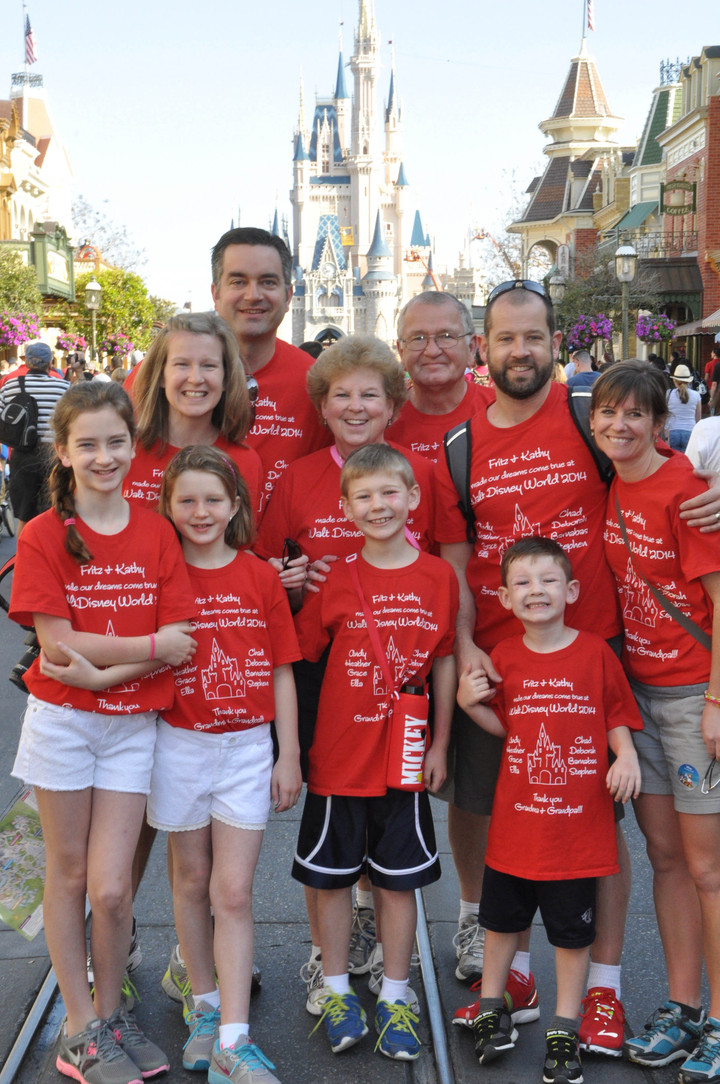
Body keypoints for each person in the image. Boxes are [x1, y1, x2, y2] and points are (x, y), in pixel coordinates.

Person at [433, 279, 720, 1056]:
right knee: (510, 826)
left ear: (554, 342)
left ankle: (602, 989)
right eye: (505, 338)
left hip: (599, 663)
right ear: (480, 348)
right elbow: (459, 571)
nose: (519, 351)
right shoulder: (459, 449)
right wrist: (466, 662)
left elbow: (667, 479)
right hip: (505, 670)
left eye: (534, 336)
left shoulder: (587, 421)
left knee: (600, 837)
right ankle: (516, 977)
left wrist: (717, 491)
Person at [10, 380, 196, 1084]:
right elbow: (58, 649)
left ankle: (111, 1012)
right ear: (63, 452)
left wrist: (100, 672)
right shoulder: (43, 534)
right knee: (68, 873)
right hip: (62, 726)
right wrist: (142, 654)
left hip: (129, 726)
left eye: (116, 442)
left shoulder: (155, 529)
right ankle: (80, 1026)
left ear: (133, 447)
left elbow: (180, 634)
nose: (104, 455)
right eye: (87, 444)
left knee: (113, 888)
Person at [254, 334, 437, 1006]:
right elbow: (269, 572)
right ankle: (327, 953)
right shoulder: (300, 477)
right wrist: (297, 583)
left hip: (401, 673)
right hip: (322, 667)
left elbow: (442, 566)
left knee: (391, 806)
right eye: (342, 396)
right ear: (322, 407)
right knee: (334, 812)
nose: (356, 407)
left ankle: (374, 926)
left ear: (393, 404)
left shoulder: (421, 472)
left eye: (370, 395)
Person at [291, 444, 458, 1061]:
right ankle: (336, 990)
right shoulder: (336, 576)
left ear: (412, 498)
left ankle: (394, 993)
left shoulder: (438, 575)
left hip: (405, 756)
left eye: (390, 492)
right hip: (338, 758)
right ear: (346, 508)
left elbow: (443, 658)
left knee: (396, 882)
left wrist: (440, 742)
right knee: (332, 880)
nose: (378, 505)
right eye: (363, 496)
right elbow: (303, 654)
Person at [455, 536, 641, 1084]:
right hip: (517, 828)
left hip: (576, 833)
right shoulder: (505, 657)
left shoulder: (594, 653)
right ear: (505, 599)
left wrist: (625, 754)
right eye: (523, 583)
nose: (536, 590)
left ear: (572, 589)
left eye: (548, 580)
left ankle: (564, 1027)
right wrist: (471, 706)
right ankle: (493, 1009)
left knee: (571, 935)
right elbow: (508, 729)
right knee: (499, 926)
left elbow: (615, 713)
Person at [151, 446, 300, 1082]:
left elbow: (281, 669)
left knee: (232, 892)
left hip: (246, 748)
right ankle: (205, 1008)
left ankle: (235, 1038)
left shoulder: (259, 577)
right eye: (187, 500)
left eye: (214, 499)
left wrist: (286, 753)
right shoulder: (160, 577)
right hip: (179, 746)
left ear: (235, 505)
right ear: (168, 508)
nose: (201, 511)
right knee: (190, 882)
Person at [590, 361, 720, 1083]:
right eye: (607, 413)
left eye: (634, 414)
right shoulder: (614, 482)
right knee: (667, 860)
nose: (618, 426)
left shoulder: (684, 491)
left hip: (692, 699)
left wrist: (715, 703)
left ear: (657, 419)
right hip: (639, 696)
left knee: (709, 870)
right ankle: (682, 1006)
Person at [210, 227, 329, 497]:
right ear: (216, 294)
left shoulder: (317, 383)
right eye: (238, 282)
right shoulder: (163, 377)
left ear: (288, 297)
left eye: (268, 282)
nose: (253, 295)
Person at [123, 311, 263, 519]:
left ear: (226, 378)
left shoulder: (245, 463)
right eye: (182, 364)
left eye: (209, 366)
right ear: (161, 375)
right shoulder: (124, 454)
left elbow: (241, 547)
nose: (196, 378)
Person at [388, 291, 486, 462]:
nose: (432, 351)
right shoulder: (382, 424)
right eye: (418, 338)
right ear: (401, 352)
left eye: (446, 337)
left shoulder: (502, 413)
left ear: (471, 348)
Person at [0, 341, 70, 534]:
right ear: (50, 363)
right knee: (55, 511)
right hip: (54, 456)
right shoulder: (64, 387)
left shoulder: (10, 385)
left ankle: (23, 559)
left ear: (27, 363)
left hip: (22, 454)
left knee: (25, 516)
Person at [664, 364, 701, 452]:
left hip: (672, 432)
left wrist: (666, 437)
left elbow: (666, 417)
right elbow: (698, 419)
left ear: (674, 380)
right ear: (689, 381)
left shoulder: (669, 394)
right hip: (690, 432)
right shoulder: (696, 395)